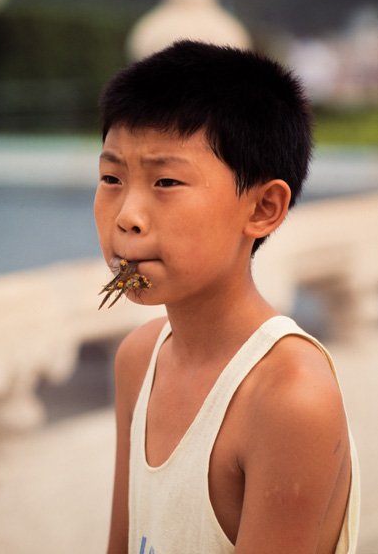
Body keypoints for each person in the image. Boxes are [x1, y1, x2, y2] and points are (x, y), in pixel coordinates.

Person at [94, 40, 360, 554]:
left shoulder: (289, 398)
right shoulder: (139, 359)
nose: (127, 215)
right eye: (111, 178)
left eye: (166, 181)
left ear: (263, 208)